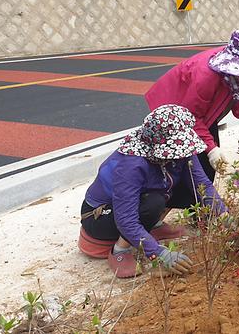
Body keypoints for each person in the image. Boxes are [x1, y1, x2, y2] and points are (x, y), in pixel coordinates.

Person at [77, 104, 227, 278]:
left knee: (189, 190)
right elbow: (126, 220)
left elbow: (201, 184)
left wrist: (225, 216)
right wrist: (159, 253)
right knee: (153, 203)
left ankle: (152, 226)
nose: (182, 153)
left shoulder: (180, 147)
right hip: (100, 216)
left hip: (136, 202)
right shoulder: (132, 165)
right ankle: (119, 250)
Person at [145, 29, 239, 181]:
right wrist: (211, 150)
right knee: (184, 164)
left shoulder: (231, 70)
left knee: (209, 165)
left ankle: (202, 193)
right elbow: (191, 117)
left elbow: (237, 92)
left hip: (201, 114)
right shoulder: (206, 76)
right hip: (174, 112)